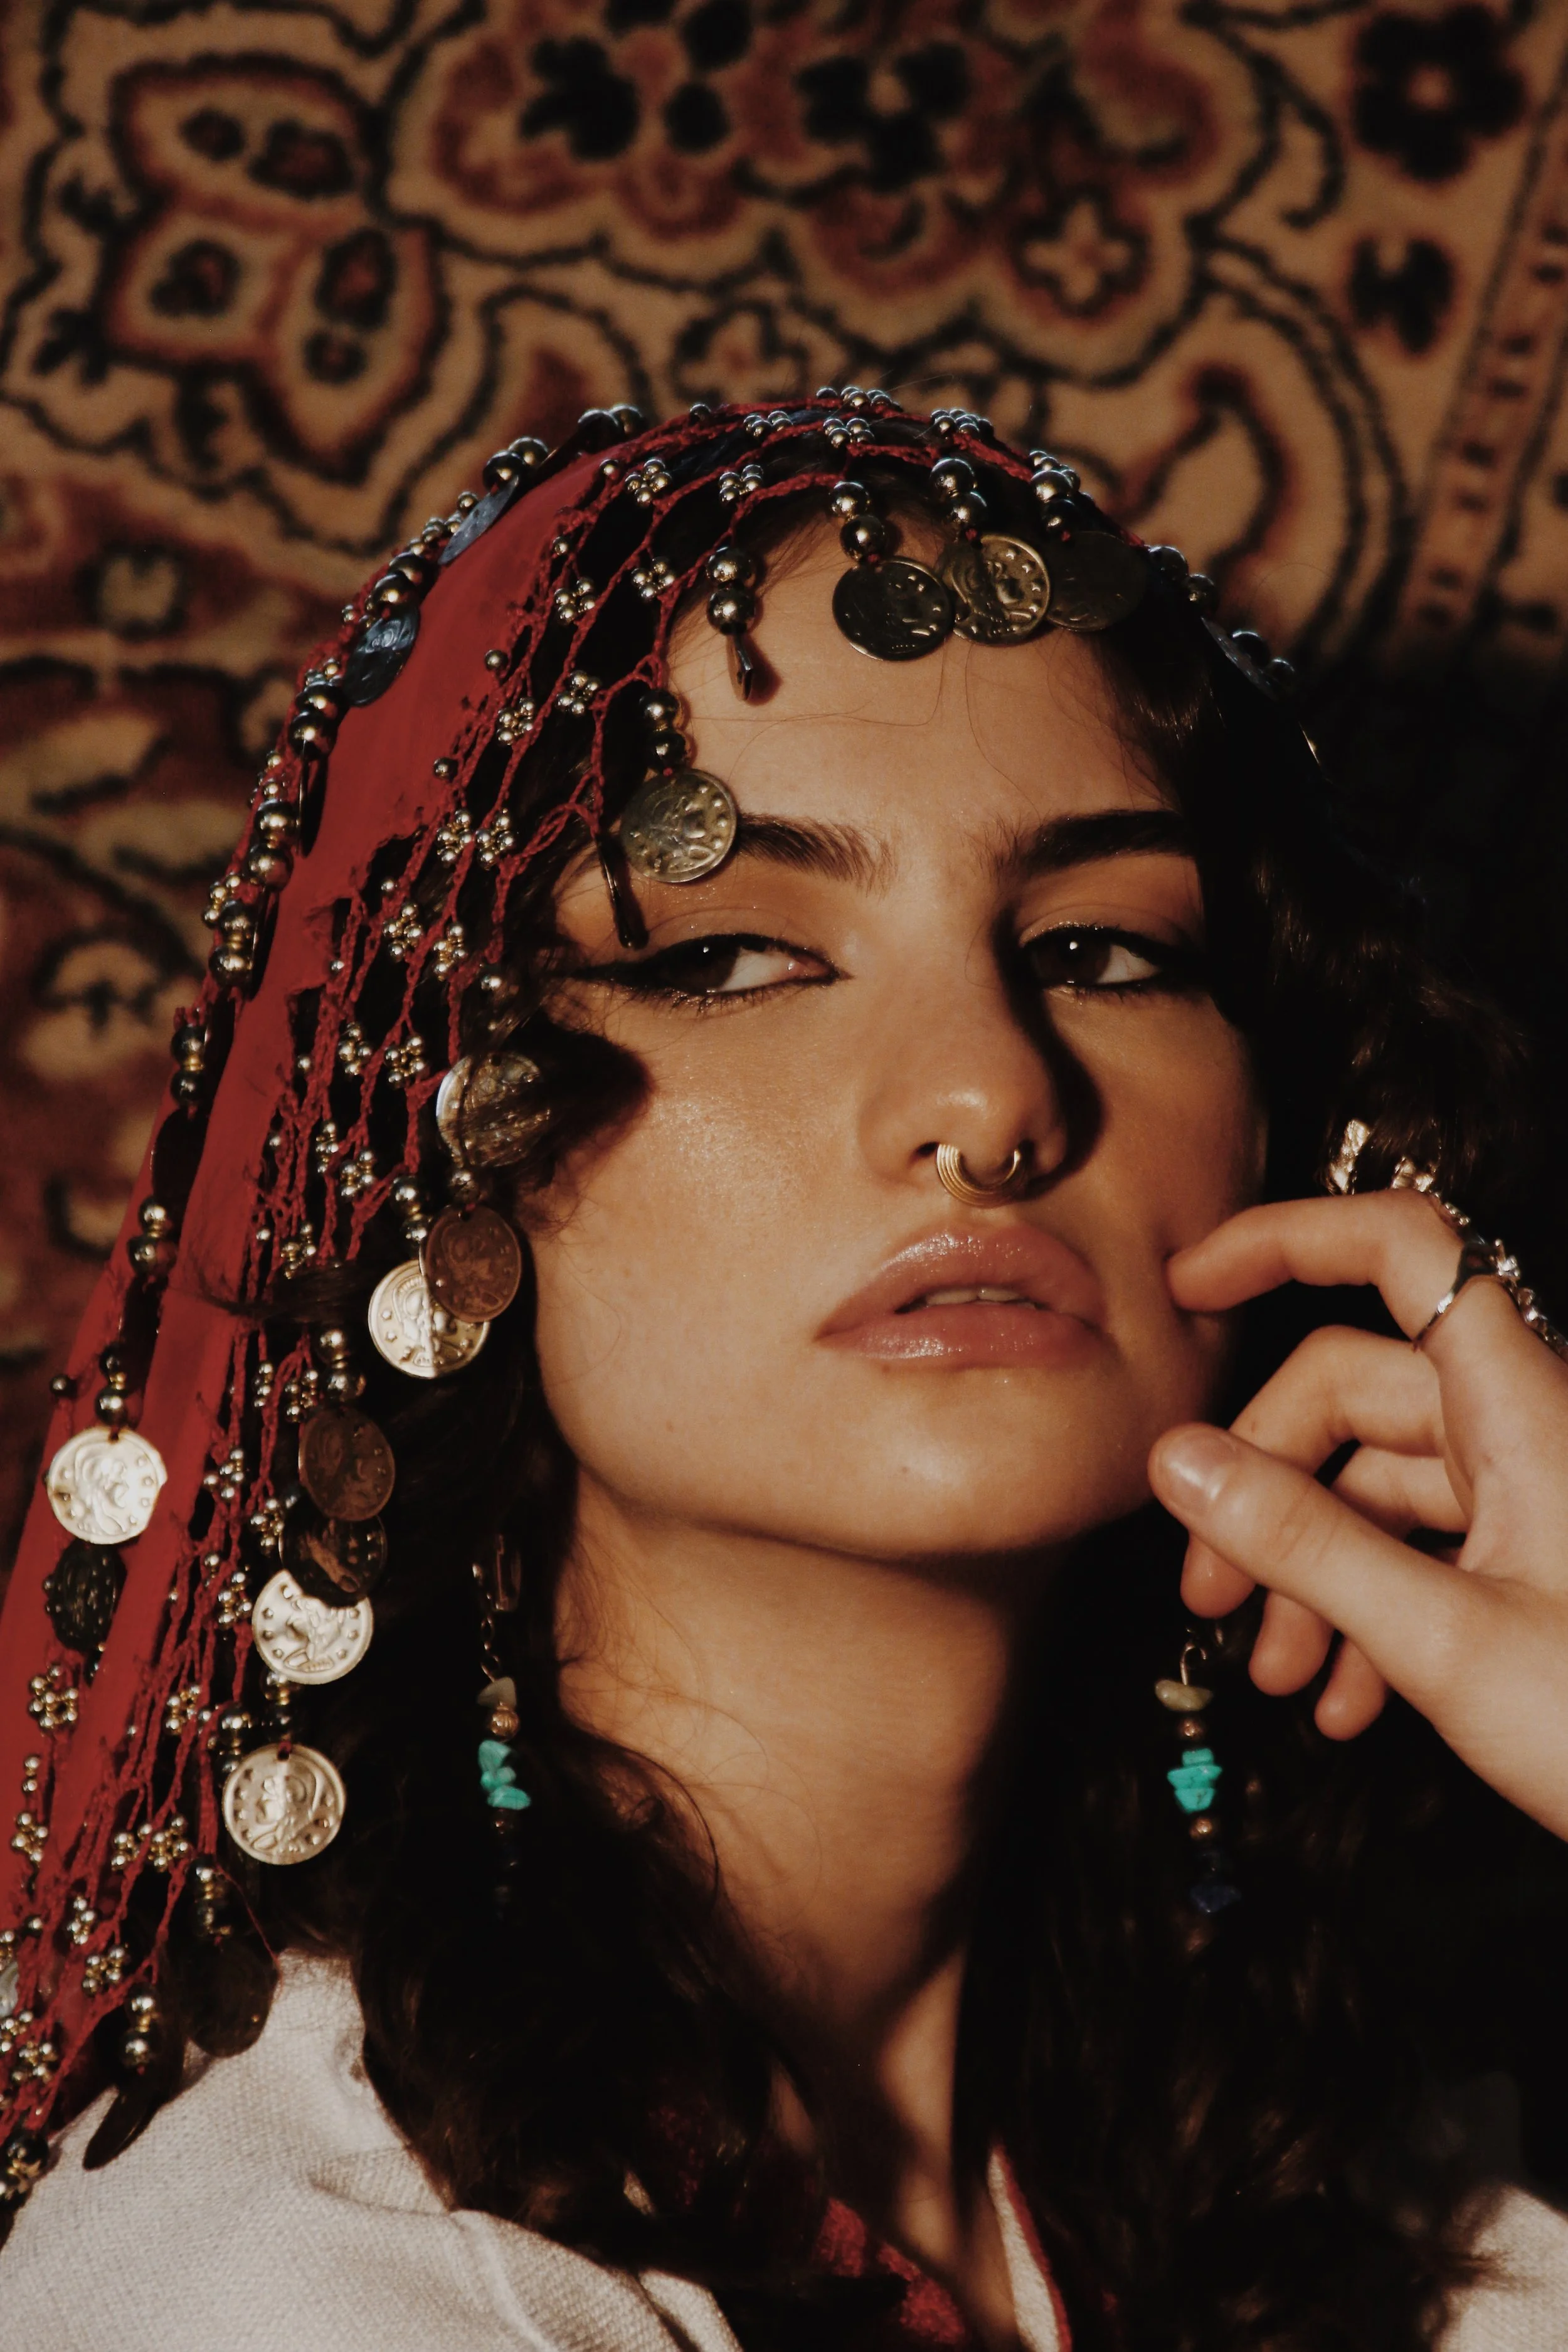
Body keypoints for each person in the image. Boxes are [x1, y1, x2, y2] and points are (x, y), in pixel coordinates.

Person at [1, 395, 1567, 2351]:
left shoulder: (1352, 2199)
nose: (988, 1098)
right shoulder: (298, 2288)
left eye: (1101, 949)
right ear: (448, 1151)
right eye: (732, 957)